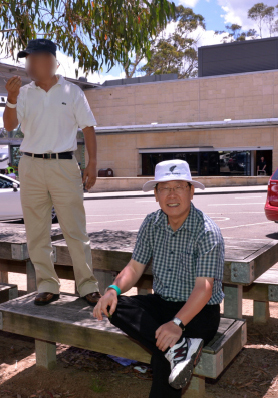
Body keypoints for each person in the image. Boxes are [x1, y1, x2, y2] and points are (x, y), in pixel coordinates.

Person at [93, 159, 225, 397]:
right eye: (164, 188)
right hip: (162, 303)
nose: (171, 194)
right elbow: (134, 267)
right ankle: (181, 348)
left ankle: (177, 347)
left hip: (199, 311)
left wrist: (176, 325)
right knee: (114, 305)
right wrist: (113, 289)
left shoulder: (207, 231)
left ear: (191, 191)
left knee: (163, 352)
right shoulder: (151, 223)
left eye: (179, 187)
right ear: (155, 194)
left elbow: (204, 289)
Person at [3, 38, 101, 306]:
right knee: (36, 231)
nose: (29, 65)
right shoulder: (23, 93)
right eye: (27, 60)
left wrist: (91, 164)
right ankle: (47, 285)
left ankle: (87, 286)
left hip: (64, 164)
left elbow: (89, 128)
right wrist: (11, 100)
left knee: (75, 230)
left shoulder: (72, 92)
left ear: (50, 60)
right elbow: (9, 126)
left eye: (33, 59)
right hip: (30, 166)